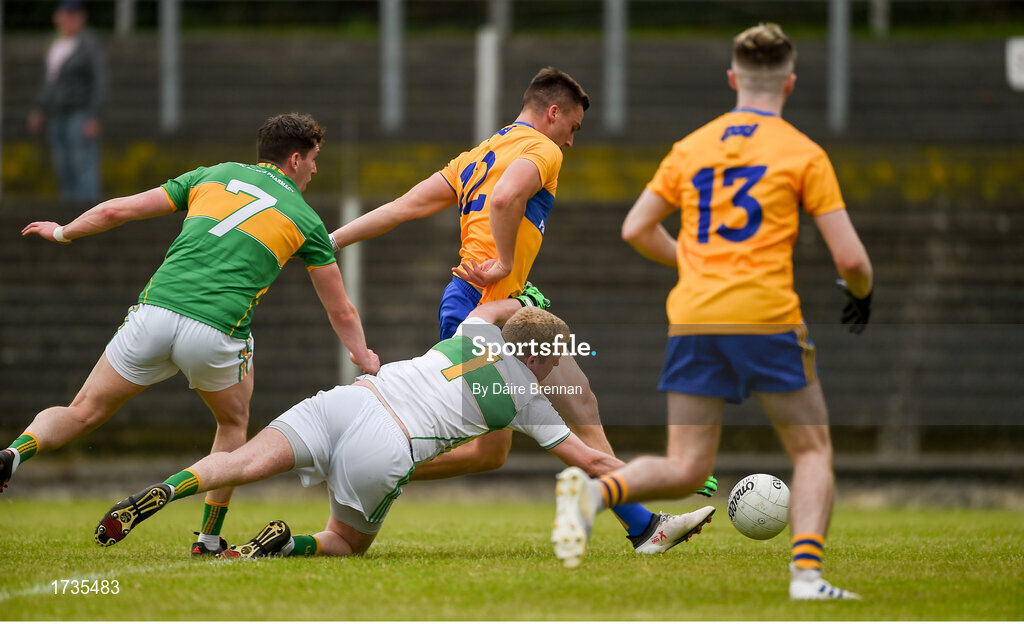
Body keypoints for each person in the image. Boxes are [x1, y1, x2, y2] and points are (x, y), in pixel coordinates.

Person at [329, 66, 715, 553]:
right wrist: (506, 262)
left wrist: (331, 240)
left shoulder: (478, 154)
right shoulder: (543, 149)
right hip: (483, 310)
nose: (572, 143)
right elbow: (509, 196)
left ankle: (642, 521)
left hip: (500, 307)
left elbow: (403, 206)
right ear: (554, 113)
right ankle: (643, 522)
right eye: (573, 128)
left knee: (517, 438)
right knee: (539, 425)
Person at [551, 23, 873, 601]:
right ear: (790, 84)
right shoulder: (802, 152)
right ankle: (806, 576)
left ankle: (593, 495)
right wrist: (861, 292)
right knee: (811, 449)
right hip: (766, 316)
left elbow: (635, 228)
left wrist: (694, 267)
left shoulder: (692, 147)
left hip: (696, 317)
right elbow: (851, 257)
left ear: (733, 80)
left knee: (686, 466)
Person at [2, 113, 380, 558]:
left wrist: (62, 231)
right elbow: (340, 308)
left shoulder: (212, 175)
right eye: (314, 159)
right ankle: (207, 538)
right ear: (295, 159)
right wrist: (364, 356)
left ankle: (13, 453)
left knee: (82, 411)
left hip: (155, 314)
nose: (316, 168)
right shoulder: (306, 220)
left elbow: (114, 209)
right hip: (216, 334)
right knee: (232, 425)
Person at [93, 300, 717, 559]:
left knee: (241, 461)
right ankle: (284, 546)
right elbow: (593, 462)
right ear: (540, 358)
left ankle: (160, 493)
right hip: (385, 448)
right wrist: (670, 473)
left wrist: (520, 302)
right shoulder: (531, 400)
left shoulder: (473, 333)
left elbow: (501, 307)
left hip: (348, 400)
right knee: (346, 542)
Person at [28, 0, 106, 202]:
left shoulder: (88, 44)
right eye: (65, 15)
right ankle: (68, 219)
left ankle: (87, 216)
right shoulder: (54, 43)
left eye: (73, 15)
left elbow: (99, 81)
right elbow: (49, 81)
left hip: (79, 113)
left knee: (83, 165)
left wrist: (94, 116)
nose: (68, 20)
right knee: (63, 166)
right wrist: (40, 109)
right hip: (56, 114)